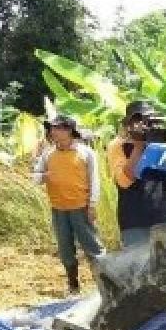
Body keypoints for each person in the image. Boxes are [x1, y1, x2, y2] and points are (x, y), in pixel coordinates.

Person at [31, 115, 104, 294]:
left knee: (92, 246)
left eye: (57, 128)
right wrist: (43, 177)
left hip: (80, 207)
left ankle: (104, 284)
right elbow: (35, 176)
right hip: (58, 208)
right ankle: (73, 285)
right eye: (52, 129)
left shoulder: (86, 153)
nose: (53, 132)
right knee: (65, 248)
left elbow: (94, 180)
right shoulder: (48, 153)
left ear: (69, 131)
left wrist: (92, 204)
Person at [107, 100, 166, 247]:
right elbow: (126, 180)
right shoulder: (117, 145)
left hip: (162, 217)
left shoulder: (159, 142)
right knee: (139, 265)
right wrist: (138, 145)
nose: (144, 126)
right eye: (138, 122)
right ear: (127, 125)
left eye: (147, 122)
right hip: (134, 220)